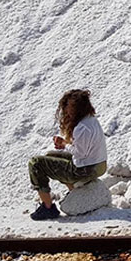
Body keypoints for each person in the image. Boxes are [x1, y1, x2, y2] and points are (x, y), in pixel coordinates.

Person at [27, 89, 108, 220]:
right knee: (50, 157)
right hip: (98, 164)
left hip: (85, 169)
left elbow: (79, 153)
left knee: (36, 163)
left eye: (68, 108)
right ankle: (74, 190)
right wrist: (65, 143)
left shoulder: (82, 128)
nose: (66, 111)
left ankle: (47, 207)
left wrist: (64, 144)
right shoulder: (91, 120)